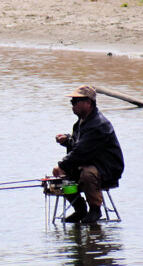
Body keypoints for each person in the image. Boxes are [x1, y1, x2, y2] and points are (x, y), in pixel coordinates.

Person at [52, 85, 124, 223]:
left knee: (87, 173)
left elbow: (81, 151)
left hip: (107, 168)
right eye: (71, 101)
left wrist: (61, 165)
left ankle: (95, 210)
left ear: (88, 103)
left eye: (75, 101)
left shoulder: (99, 125)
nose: (72, 105)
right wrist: (67, 140)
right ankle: (80, 209)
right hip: (90, 163)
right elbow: (78, 145)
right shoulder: (80, 124)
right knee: (63, 176)